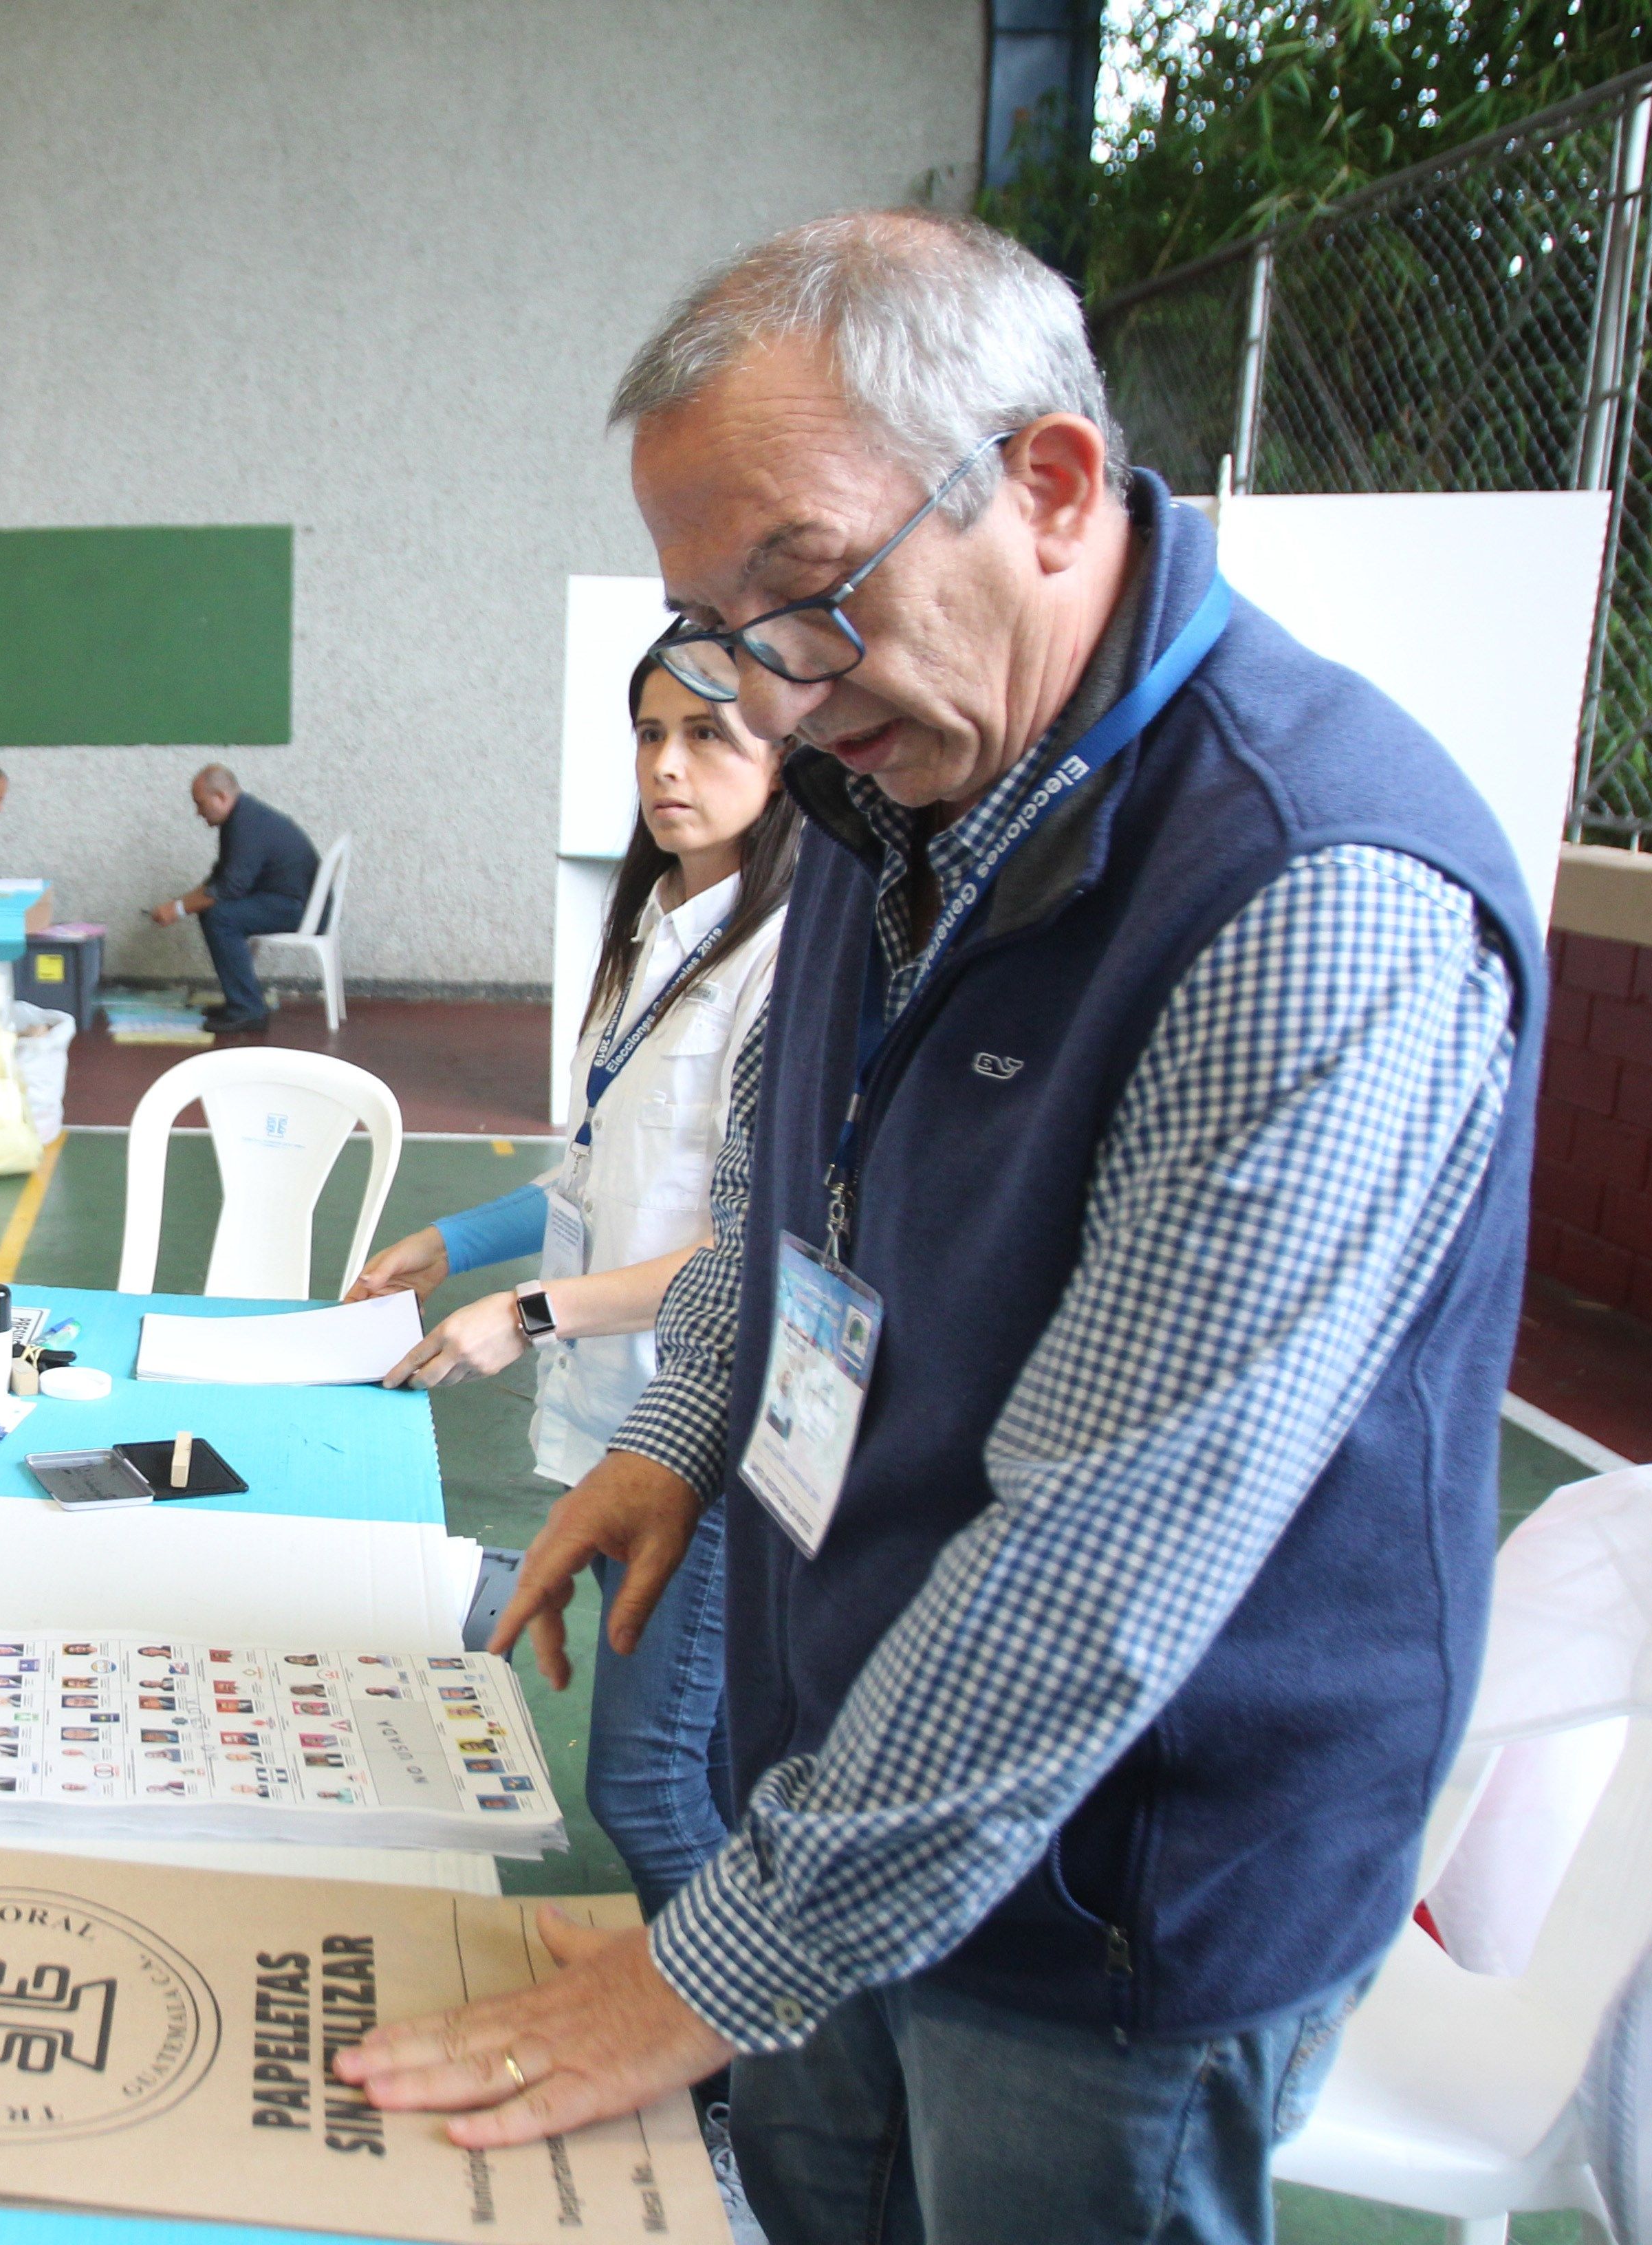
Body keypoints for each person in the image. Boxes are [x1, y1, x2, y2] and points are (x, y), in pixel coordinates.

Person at [341, 210, 1541, 2244]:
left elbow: (1098, 1562)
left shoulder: (1312, 890)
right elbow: (803, 1196)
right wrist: (678, 1425)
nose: (769, 697)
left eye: (801, 597)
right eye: (711, 631)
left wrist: (701, 1963)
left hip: (1111, 1906)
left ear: (1053, 485)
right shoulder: (882, 793)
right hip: (835, 1787)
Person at [349, 658, 796, 1911]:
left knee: (648, 1782)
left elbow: (752, 1244)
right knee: (697, 1755)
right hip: (609, 1420)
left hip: (700, 1427)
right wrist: (455, 1240)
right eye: (650, 732)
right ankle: (731, 2053)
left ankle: (736, 2066)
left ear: (785, 754)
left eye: (708, 737)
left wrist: (529, 1311)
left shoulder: (788, 959)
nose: (665, 765)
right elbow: (596, 1172)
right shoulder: (654, 924)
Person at [148, 763, 317, 1032]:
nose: (198, 813)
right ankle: (240, 1002)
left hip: (302, 909)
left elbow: (229, 889)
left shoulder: (245, 825)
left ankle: (249, 1010)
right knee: (214, 911)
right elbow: (219, 880)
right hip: (292, 901)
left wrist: (178, 909)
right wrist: (177, 905)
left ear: (222, 798)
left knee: (220, 917)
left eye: (200, 804)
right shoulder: (242, 819)